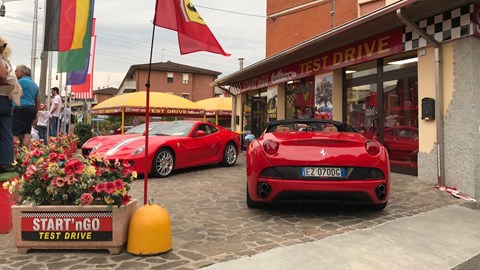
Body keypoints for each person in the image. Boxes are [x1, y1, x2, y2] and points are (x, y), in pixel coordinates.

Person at [0, 36, 21, 173]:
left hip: (1, 99)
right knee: (5, 131)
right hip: (6, 101)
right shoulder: (6, 61)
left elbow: (2, 76)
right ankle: (5, 162)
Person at [12, 64, 40, 149]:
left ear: (22, 72)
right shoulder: (34, 84)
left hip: (20, 109)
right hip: (31, 109)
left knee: (15, 133)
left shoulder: (19, 82)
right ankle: (25, 154)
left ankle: (15, 155)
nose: (15, 72)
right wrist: (36, 112)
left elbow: (12, 95)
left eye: (16, 70)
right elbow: (38, 100)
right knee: (27, 132)